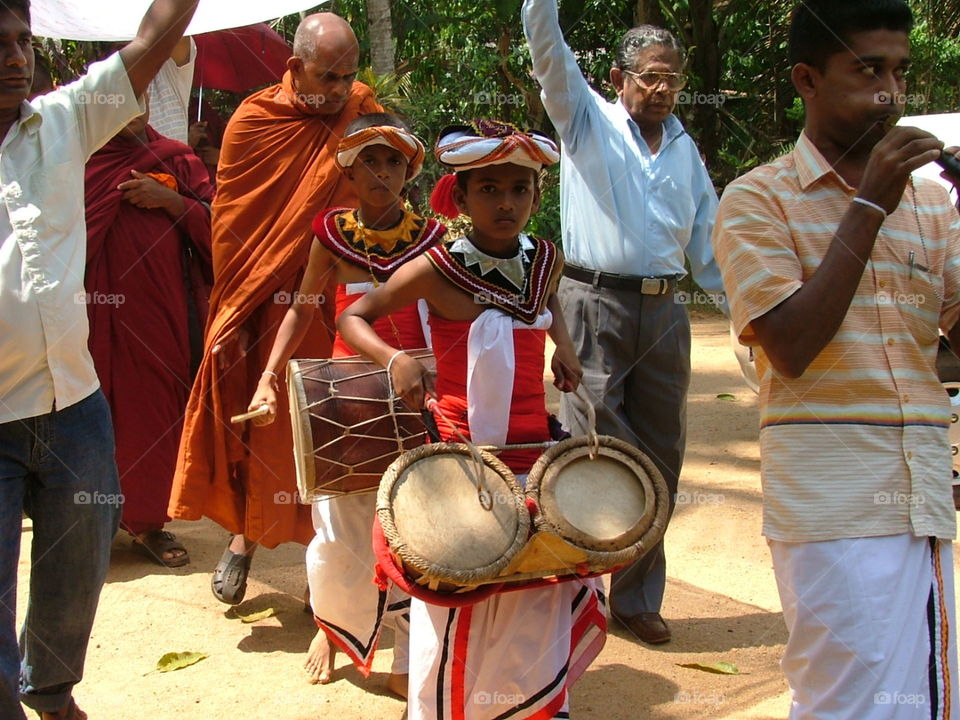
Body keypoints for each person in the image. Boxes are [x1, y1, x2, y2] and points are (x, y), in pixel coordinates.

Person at [713, 1, 960, 716]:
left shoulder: (935, 205)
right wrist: (870, 206)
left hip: (923, 498)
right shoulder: (758, 200)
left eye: (901, 72)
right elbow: (790, 347)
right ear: (806, 79)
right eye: (869, 71)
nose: (892, 93)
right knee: (848, 702)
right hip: (832, 506)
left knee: (928, 698)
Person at [338, 121, 606, 719]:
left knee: (540, 581)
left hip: (534, 450)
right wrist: (396, 357)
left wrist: (563, 346)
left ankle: (533, 704)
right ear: (460, 199)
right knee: (462, 583)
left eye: (519, 188)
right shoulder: (436, 268)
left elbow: (549, 302)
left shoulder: (546, 262)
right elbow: (353, 316)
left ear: (538, 196)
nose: (505, 202)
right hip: (460, 455)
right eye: (488, 189)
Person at [0, 1, 199, 717]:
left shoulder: (62, 120)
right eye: (0, 43)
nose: (16, 55)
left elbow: (156, 36)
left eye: (23, 40)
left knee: (78, 562)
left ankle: (50, 693)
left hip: (75, 406)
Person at [522, 0, 724, 645]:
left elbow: (711, 246)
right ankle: (573, 591)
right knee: (595, 448)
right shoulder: (585, 120)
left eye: (672, 79)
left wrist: (751, 316)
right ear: (618, 78)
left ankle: (637, 598)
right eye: (650, 78)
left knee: (662, 454)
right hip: (592, 304)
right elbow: (549, 49)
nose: (662, 90)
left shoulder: (685, 149)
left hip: (665, 312)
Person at [169, 13, 382, 606]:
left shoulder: (362, 113)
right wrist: (234, 310)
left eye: (347, 76)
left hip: (338, 302)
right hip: (267, 303)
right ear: (294, 67)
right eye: (326, 76)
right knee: (262, 424)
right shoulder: (254, 120)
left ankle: (329, 577)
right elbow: (232, 227)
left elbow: (385, 196)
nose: (339, 89)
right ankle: (244, 540)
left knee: (331, 433)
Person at [247, 113, 444, 692]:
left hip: (411, 397)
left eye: (393, 162)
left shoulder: (435, 240)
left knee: (414, 526)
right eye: (370, 162)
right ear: (350, 173)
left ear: (410, 172)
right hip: (343, 403)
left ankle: (408, 657)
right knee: (339, 529)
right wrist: (267, 377)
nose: (382, 173)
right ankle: (332, 632)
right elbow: (303, 307)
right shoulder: (329, 234)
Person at [84, 97, 214, 567]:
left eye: (137, 102)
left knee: (154, 406)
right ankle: (91, 523)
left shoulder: (176, 157)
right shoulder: (82, 157)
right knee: (94, 409)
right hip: (89, 311)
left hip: (158, 309)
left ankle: (148, 524)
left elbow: (217, 225)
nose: (131, 113)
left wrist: (173, 201)